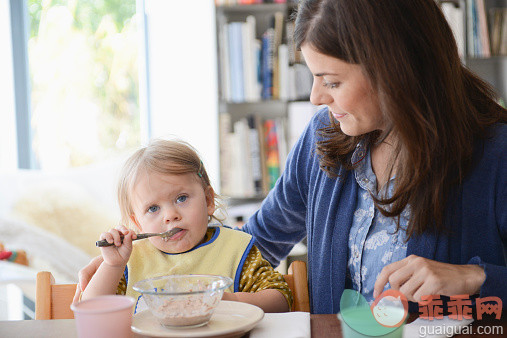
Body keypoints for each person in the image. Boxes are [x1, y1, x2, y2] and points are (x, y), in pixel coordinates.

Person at [75, 0, 506, 314]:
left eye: (331, 81)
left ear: (396, 70)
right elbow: (256, 244)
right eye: (313, 78)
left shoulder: (496, 154)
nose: (317, 97)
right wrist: (142, 262)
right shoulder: (326, 135)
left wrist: (474, 278)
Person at [79, 139, 291, 313]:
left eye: (181, 198)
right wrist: (112, 265)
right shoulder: (129, 262)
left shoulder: (236, 250)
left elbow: (281, 299)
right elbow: (90, 310)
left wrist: (229, 300)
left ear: (208, 201)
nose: (170, 216)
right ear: (137, 223)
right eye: (153, 208)